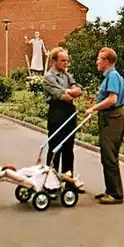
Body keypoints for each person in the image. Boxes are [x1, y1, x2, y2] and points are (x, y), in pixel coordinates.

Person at [86, 47, 124, 205]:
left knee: (109, 156)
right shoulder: (109, 77)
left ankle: (116, 194)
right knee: (106, 155)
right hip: (109, 117)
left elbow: (112, 99)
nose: (97, 61)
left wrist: (94, 108)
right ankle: (110, 190)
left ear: (106, 61)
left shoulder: (113, 76)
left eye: (99, 59)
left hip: (113, 117)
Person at [43, 47, 83, 177]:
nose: (66, 63)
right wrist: (70, 92)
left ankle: (67, 179)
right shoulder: (49, 77)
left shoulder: (67, 75)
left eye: (67, 60)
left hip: (69, 111)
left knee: (68, 147)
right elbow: (62, 96)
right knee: (55, 146)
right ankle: (51, 178)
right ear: (54, 61)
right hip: (57, 111)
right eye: (62, 60)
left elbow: (78, 90)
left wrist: (69, 91)